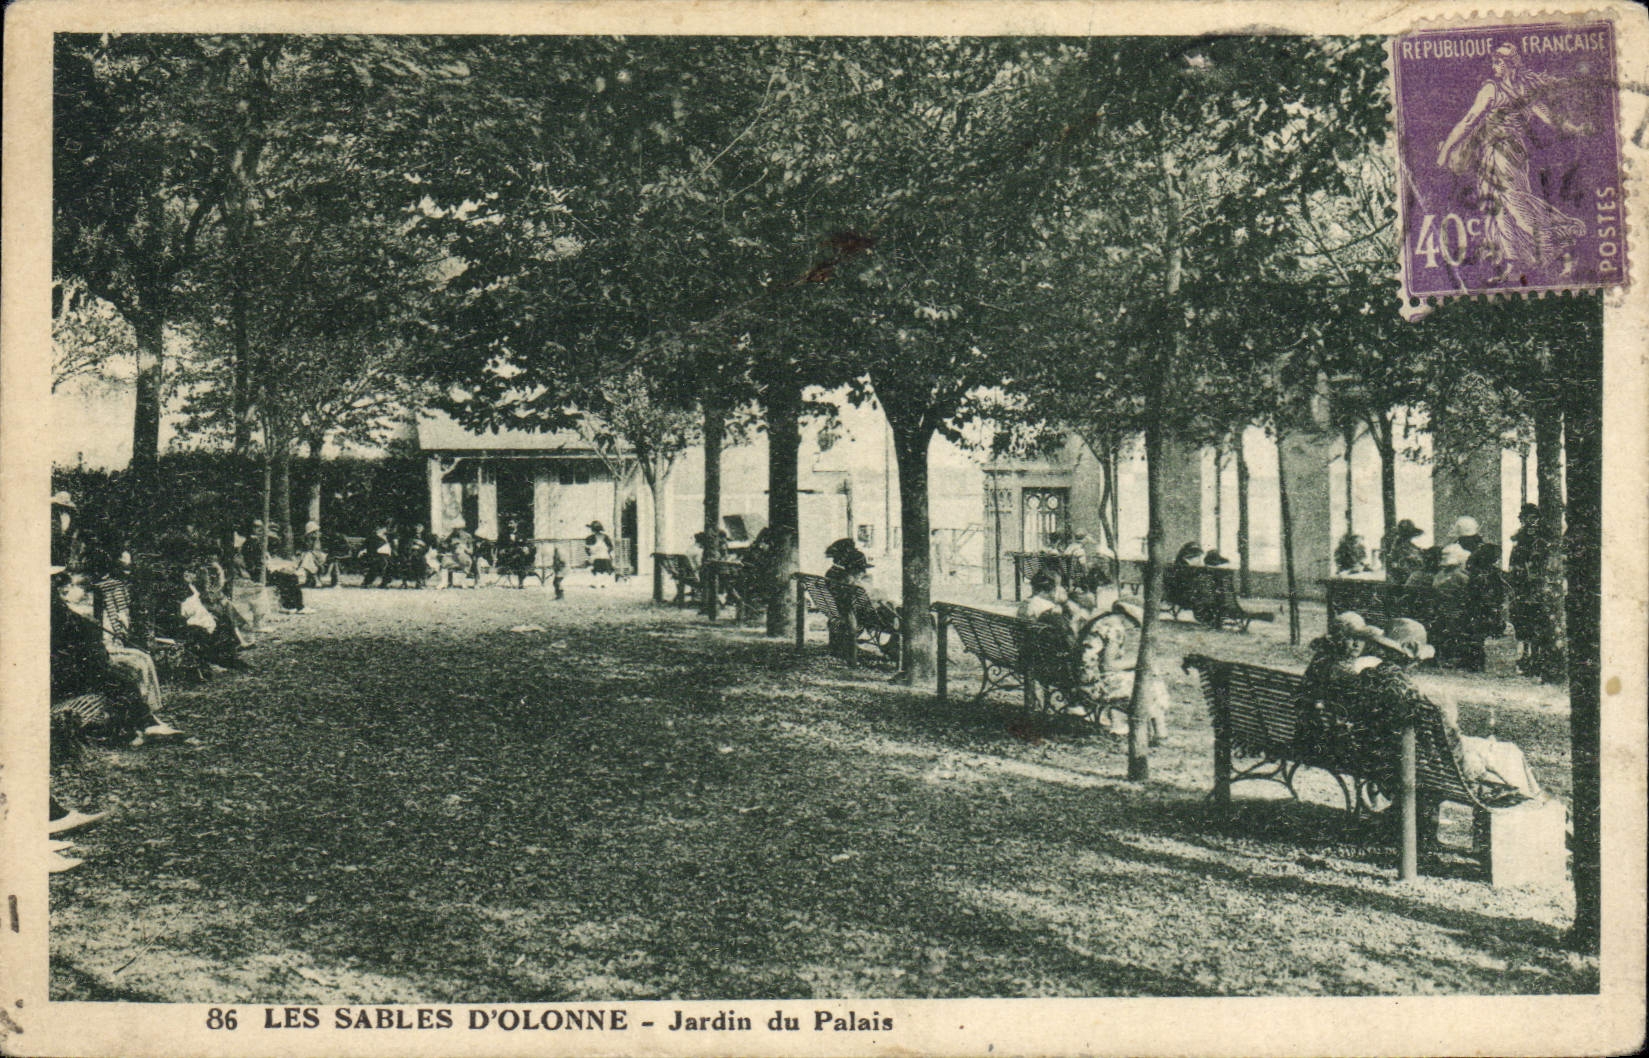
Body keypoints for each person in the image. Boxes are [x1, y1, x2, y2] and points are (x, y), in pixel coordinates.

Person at [1436, 43, 1588, 284]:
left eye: (1498, 63)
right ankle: (1512, 264)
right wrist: (1574, 128)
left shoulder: (1494, 89)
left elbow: (1469, 121)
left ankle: (1566, 246)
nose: (1494, 67)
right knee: (1497, 208)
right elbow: (1550, 119)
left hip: (1504, 155)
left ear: (1509, 65)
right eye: (1494, 62)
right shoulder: (1511, 89)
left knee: (1516, 205)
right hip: (1497, 155)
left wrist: (1445, 149)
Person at [1358, 619, 1545, 804]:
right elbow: (1451, 746)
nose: (1418, 663)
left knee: (1495, 750)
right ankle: (1535, 805)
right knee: (1508, 752)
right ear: (1409, 656)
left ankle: (1536, 800)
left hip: (1388, 757)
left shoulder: (1368, 678)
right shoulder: (1411, 696)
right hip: (1430, 765)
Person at [52, 568, 182, 746]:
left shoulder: (59, 610)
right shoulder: (61, 613)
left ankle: (145, 724)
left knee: (122, 676)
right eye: (57, 584)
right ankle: (143, 727)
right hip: (62, 674)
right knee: (121, 681)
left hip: (65, 668)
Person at [1070, 599, 1168, 742]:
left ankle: (1124, 726)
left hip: (1083, 676)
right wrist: (1140, 662)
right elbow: (1108, 666)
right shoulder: (1115, 629)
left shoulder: (1103, 621)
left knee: (1146, 676)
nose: (1133, 627)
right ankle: (1160, 732)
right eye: (1135, 623)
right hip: (1094, 684)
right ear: (1128, 616)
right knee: (1150, 679)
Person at [360, 523, 396, 588]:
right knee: (380, 564)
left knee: (391, 564)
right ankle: (367, 582)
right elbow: (368, 548)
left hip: (387, 556)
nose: (385, 530)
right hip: (376, 556)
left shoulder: (387, 537)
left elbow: (392, 547)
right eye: (382, 528)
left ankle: (384, 583)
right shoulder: (372, 537)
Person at [585, 521, 615, 586]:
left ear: (592, 529)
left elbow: (587, 549)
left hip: (595, 558)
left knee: (595, 569)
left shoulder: (589, 538)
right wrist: (607, 553)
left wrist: (591, 555)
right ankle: (604, 583)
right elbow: (611, 547)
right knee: (605, 570)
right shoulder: (605, 537)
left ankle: (596, 583)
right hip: (605, 557)